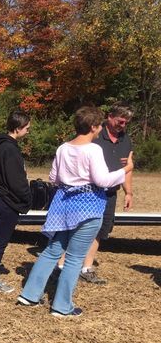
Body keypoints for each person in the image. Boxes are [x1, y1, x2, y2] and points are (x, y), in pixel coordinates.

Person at [16, 107, 134, 317]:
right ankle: (62, 306)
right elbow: (103, 181)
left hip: (63, 205)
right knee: (74, 258)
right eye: (98, 126)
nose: (100, 130)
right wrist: (126, 169)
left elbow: (54, 177)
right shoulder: (93, 149)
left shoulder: (63, 148)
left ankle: (29, 295)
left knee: (52, 250)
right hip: (88, 207)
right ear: (92, 127)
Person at [58, 104, 134, 285]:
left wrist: (128, 192)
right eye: (120, 121)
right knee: (75, 229)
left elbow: (127, 169)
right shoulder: (94, 137)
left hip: (109, 194)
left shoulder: (126, 140)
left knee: (100, 230)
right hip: (88, 193)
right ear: (110, 117)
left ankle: (86, 268)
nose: (122, 125)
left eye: (126, 123)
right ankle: (60, 266)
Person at [0, 110, 32, 293]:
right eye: (27, 128)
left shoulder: (3, 146)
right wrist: (28, 197)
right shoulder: (9, 149)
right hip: (6, 201)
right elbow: (16, 181)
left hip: (0, 198)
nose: (28, 131)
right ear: (18, 128)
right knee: (0, 241)